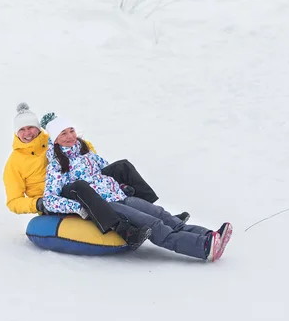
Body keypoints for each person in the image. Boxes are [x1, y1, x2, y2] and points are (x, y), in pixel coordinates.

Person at [40, 112, 232, 262]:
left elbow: (106, 172)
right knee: (154, 225)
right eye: (63, 133)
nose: (69, 136)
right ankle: (203, 248)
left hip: (119, 195)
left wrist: (122, 185)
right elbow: (49, 199)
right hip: (107, 206)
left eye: (71, 130)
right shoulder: (57, 165)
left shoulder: (86, 153)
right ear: (55, 139)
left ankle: (209, 235)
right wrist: (78, 208)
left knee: (162, 215)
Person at [2, 103, 187, 246]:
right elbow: (13, 201)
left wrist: (85, 151)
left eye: (31, 127)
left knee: (122, 167)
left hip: (80, 180)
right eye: (22, 129)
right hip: (58, 195)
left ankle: (153, 212)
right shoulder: (14, 163)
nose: (28, 133)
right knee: (81, 188)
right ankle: (124, 227)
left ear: (38, 128)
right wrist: (38, 203)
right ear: (16, 132)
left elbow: (85, 152)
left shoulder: (52, 138)